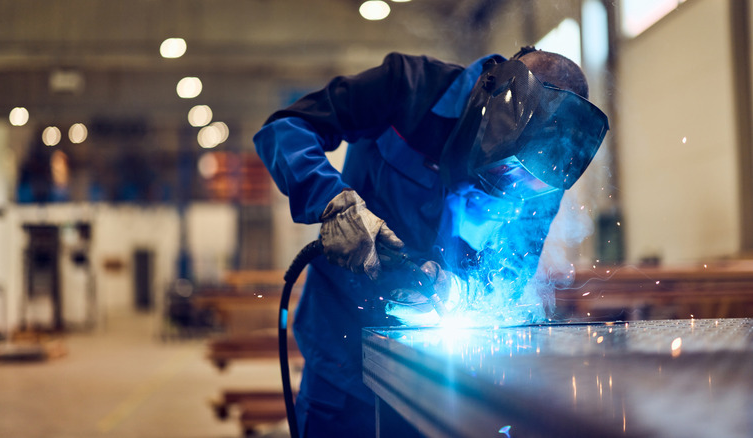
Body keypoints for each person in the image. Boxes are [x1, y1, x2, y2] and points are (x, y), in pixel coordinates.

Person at [254, 46, 609, 437]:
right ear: (492, 106)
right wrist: (332, 202)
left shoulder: (549, 170)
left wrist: (459, 291)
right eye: (508, 171)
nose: (516, 187)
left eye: (530, 184)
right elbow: (285, 129)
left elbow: (512, 269)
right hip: (342, 353)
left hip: (441, 379)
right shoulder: (408, 88)